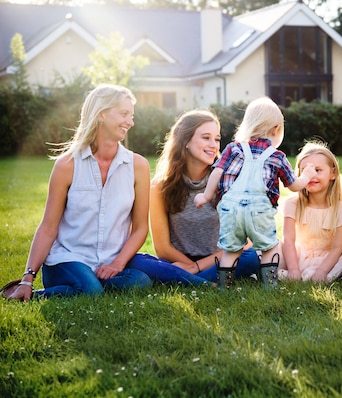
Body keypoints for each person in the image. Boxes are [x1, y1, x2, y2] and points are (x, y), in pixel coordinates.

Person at [1, 84, 152, 301]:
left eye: (131, 115)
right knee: (91, 291)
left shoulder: (138, 165)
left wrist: (117, 263)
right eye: (124, 114)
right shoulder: (67, 165)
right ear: (101, 114)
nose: (130, 122)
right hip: (66, 260)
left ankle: (88, 284)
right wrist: (27, 278)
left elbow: (140, 228)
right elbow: (48, 227)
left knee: (140, 282)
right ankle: (30, 293)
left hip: (107, 262)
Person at [194, 96, 316, 289]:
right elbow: (293, 185)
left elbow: (217, 172)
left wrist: (206, 196)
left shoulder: (233, 148)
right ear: (277, 129)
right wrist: (307, 175)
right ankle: (271, 286)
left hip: (230, 210)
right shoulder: (277, 156)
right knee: (269, 247)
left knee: (231, 250)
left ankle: (225, 287)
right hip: (259, 210)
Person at [126, 110, 260, 286]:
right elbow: (162, 248)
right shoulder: (159, 187)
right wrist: (189, 266)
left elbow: (242, 242)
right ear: (186, 141)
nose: (214, 145)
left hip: (221, 259)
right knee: (135, 260)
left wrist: (197, 267)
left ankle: (184, 280)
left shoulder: (229, 180)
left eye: (217, 139)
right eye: (206, 137)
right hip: (179, 262)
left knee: (252, 256)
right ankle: (203, 281)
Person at [278, 141, 342, 282]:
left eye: (317, 170)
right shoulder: (293, 204)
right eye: (305, 171)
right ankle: (294, 274)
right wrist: (293, 269)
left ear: (332, 173)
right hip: (297, 257)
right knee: (271, 246)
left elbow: (337, 248)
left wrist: (321, 271)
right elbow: (288, 241)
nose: (311, 176)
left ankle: (323, 276)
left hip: (326, 261)